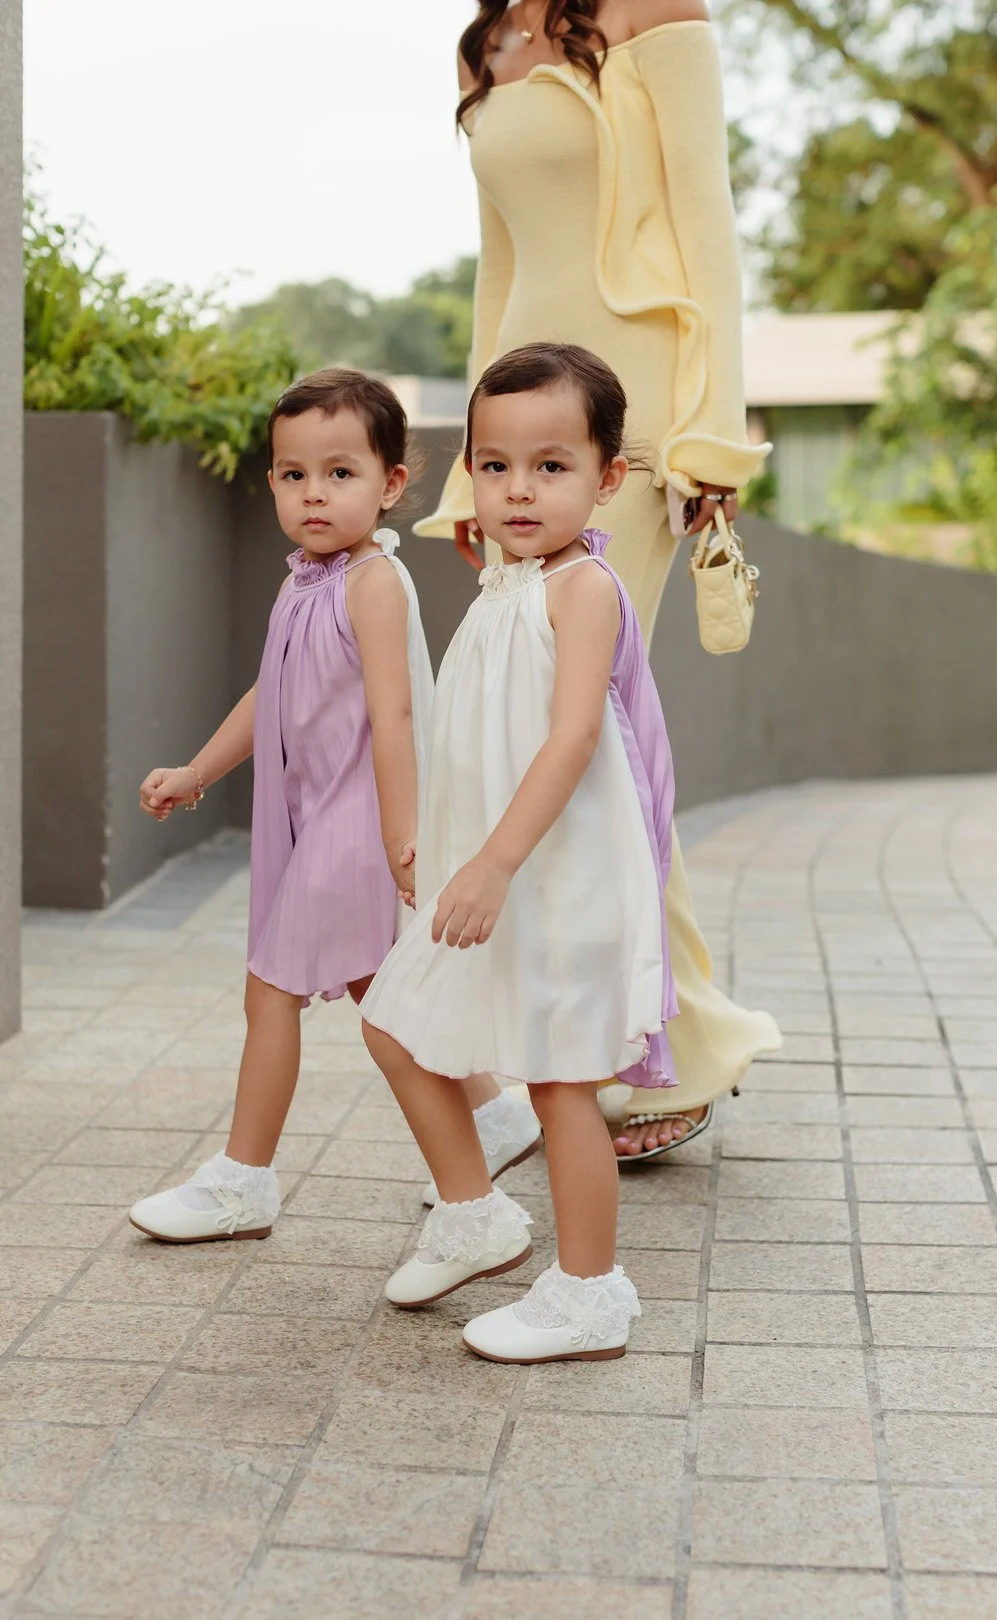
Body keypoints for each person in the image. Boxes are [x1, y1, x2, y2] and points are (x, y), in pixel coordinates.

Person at [415, 0, 781, 1162]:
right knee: (531, 729)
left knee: (601, 731)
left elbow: (704, 218)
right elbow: (501, 267)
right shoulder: (488, 44)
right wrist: (475, 471)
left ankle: (656, 1047)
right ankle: (610, 1038)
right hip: (525, 430)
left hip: (635, 420)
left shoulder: (644, 8)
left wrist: (711, 439)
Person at [361, 342, 676, 1364]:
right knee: (398, 1024)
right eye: (494, 466)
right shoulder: (503, 585)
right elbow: (474, 734)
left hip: (560, 875)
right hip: (495, 865)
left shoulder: (578, 590)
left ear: (607, 478)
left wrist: (493, 864)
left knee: (558, 1079)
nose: (519, 489)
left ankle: (591, 1292)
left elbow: (573, 736)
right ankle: (475, 1212)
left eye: (551, 466)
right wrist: (437, 843)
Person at [127, 369, 437, 1244]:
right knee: (388, 996)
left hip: (358, 818)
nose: (314, 493)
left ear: (391, 485)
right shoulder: (305, 580)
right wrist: (197, 772)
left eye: (340, 473)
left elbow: (396, 711)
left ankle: (243, 1180)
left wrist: (400, 835)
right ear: (271, 482)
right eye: (294, 474)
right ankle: (484, 1130)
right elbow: (274, 693)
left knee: (274, 991)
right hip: (312, 819)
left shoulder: (372, 581)